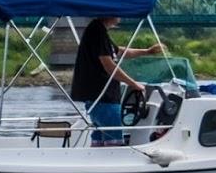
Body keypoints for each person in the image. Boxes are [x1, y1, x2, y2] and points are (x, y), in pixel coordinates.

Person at [69, 16, 166, 146]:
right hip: (103, 98)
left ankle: (95, 159)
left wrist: (147, 51)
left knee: (100, 135)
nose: (121, 16)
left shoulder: (98, 31)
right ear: (111, 14)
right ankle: (113, 160)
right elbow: (109, 66)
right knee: (114, 139)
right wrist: (134, 84)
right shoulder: (97, 32)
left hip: (96, 98)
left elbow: (120, 51)